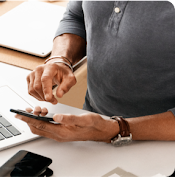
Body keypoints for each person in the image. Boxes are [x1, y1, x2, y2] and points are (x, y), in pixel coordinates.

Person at [14, 1, 175, 145]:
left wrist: (118, 128)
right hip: (92, 125)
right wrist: (60, 58)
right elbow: (76, 16)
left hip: (161, 144)